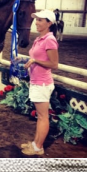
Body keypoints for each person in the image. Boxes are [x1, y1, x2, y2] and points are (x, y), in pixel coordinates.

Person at [21, 9, 59, 156]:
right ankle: (36, 143)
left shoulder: (49, 40)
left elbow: (54, 64)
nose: (36, 22)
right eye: (36, 20)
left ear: (49, 23)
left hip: (42, 83)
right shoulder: (39, 39)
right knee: (40, 116)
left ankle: (38, 147)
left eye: (40, 20)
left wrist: (35, 60)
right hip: (36, 81)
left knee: (43, 117)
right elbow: (37, 57)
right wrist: (27, 61)